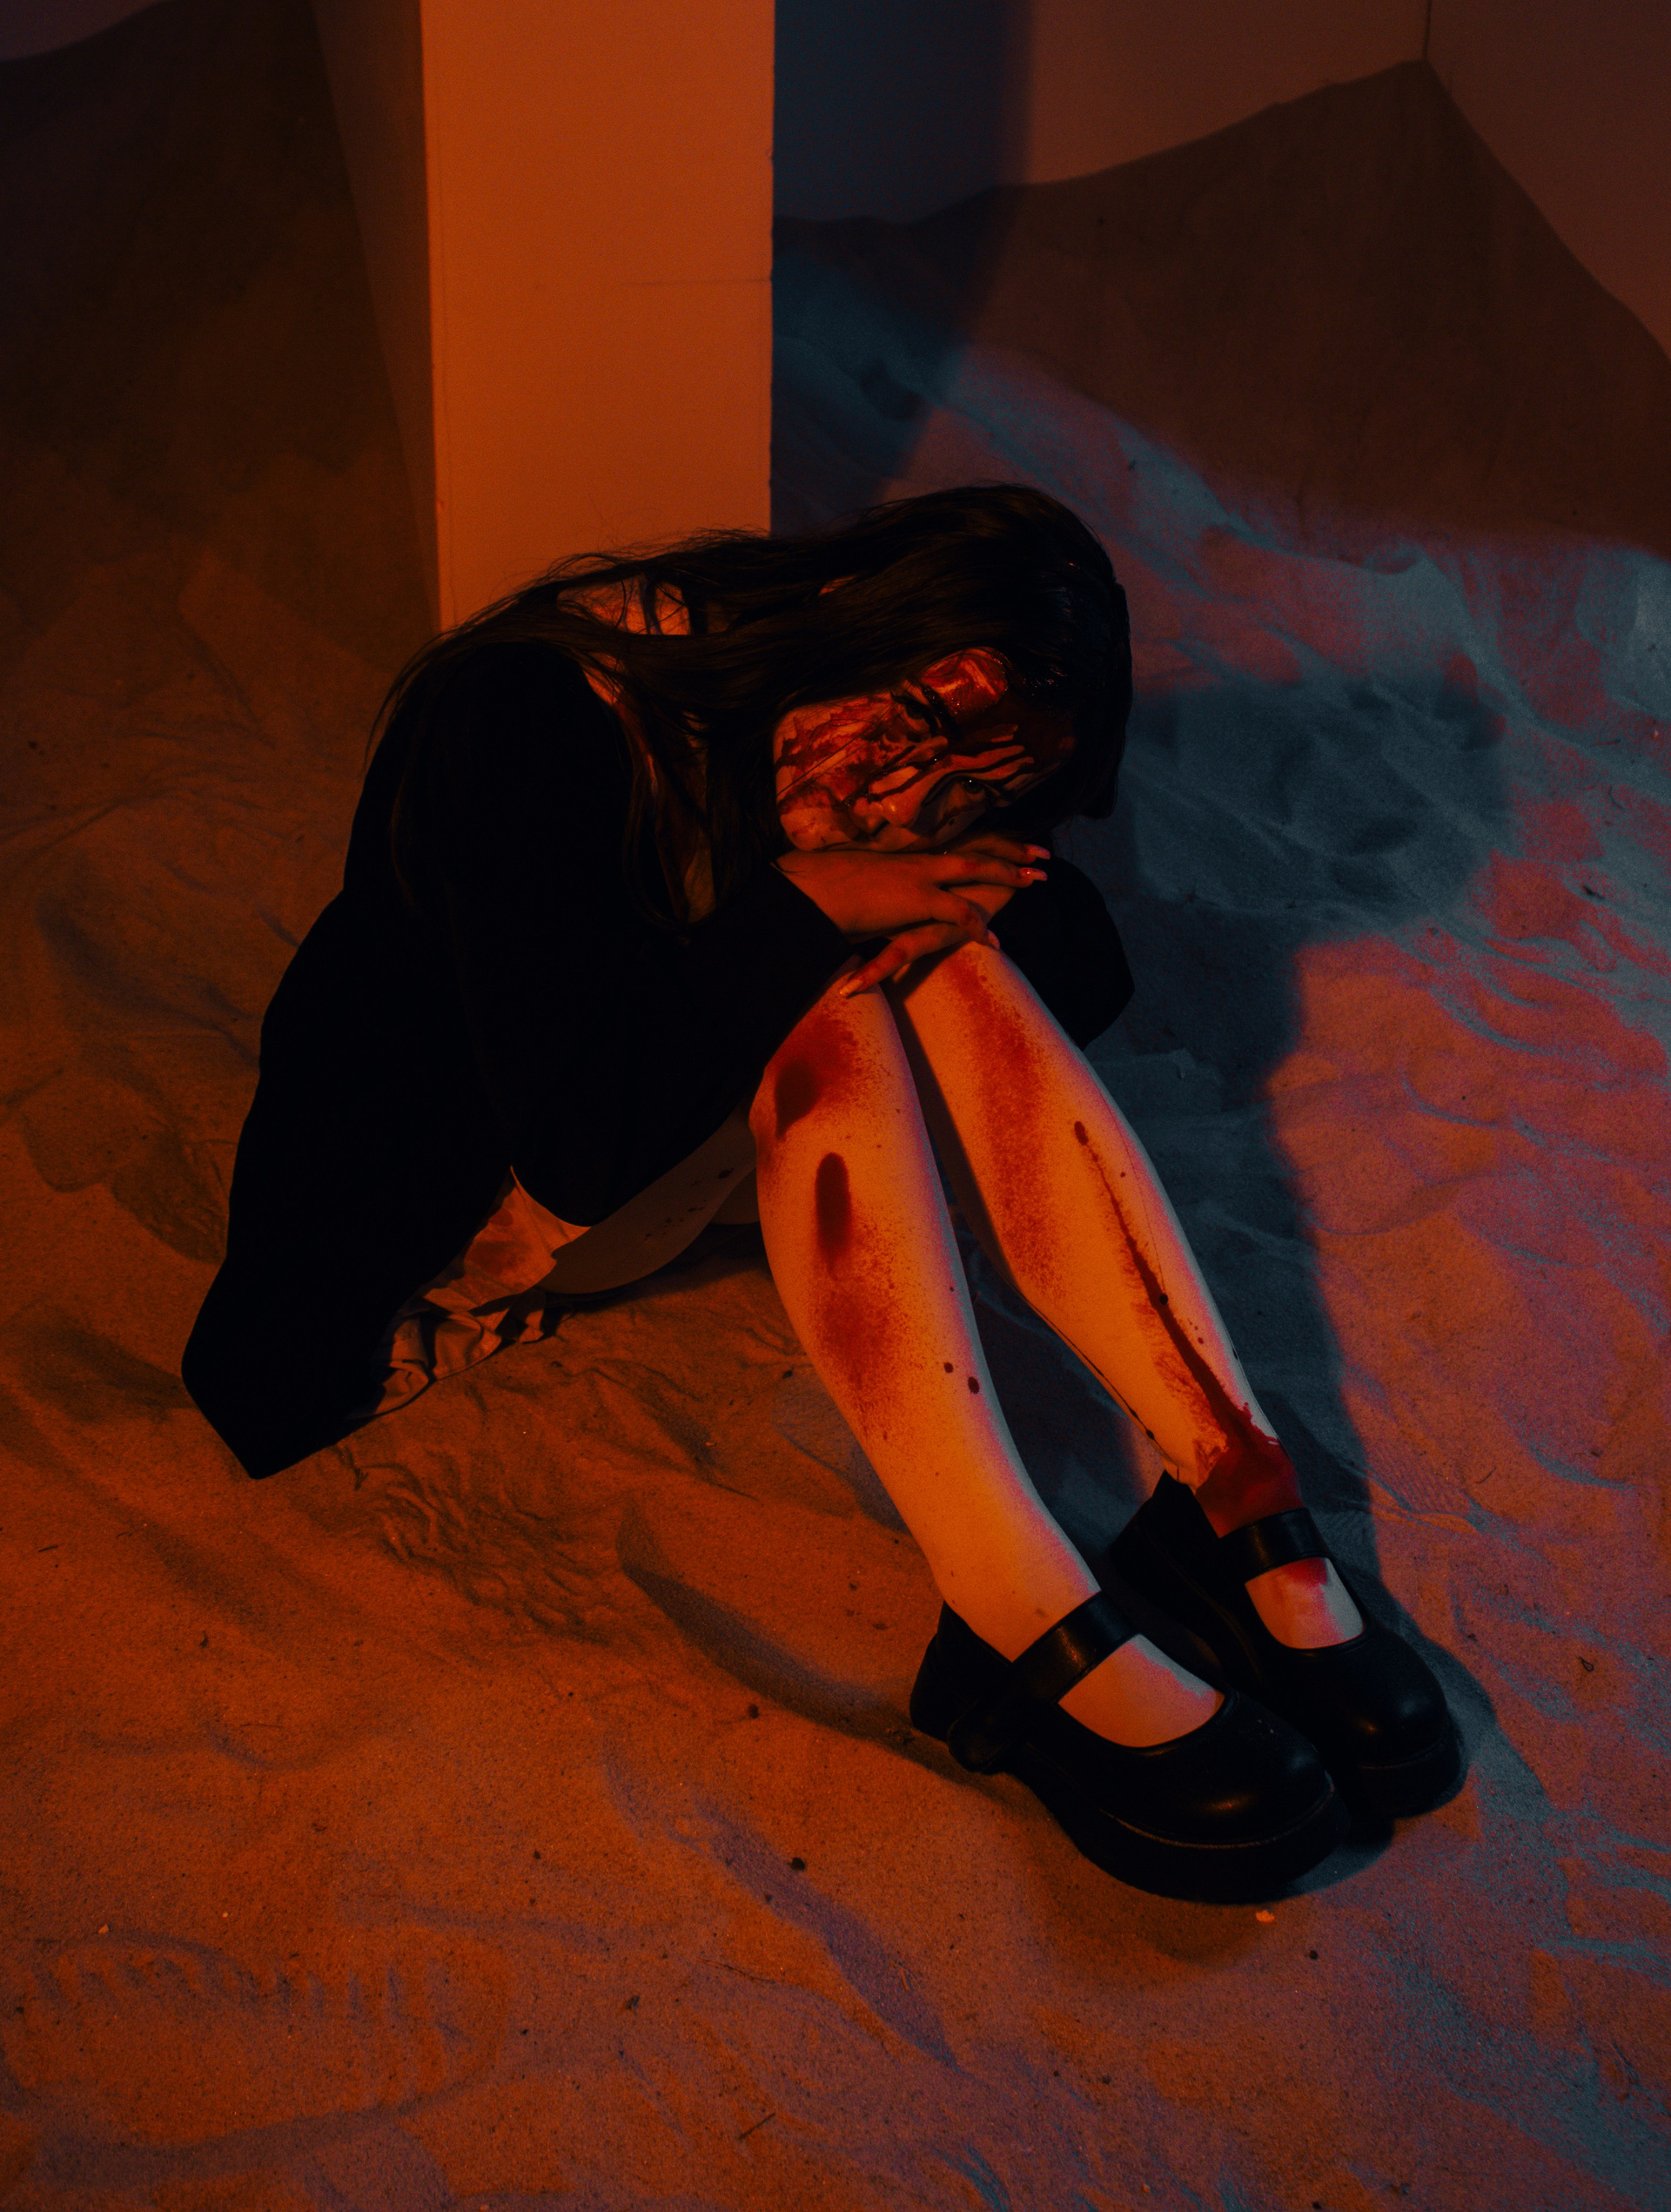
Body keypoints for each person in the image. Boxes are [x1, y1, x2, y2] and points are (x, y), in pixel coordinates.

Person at [183, 484, 1456, 1899]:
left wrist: (942, 872)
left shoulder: (831, 723)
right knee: (830, 986)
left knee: (942, 946)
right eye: (909, 730)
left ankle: (1235, 1490)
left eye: (974, 783)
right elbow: (577, 1138)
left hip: (658, 1129)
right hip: (468, 1188)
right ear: (851, 617)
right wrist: (818, 900)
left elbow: (1085, 960)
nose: (901, 792)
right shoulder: (533, 713)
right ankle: (1010, 1594)